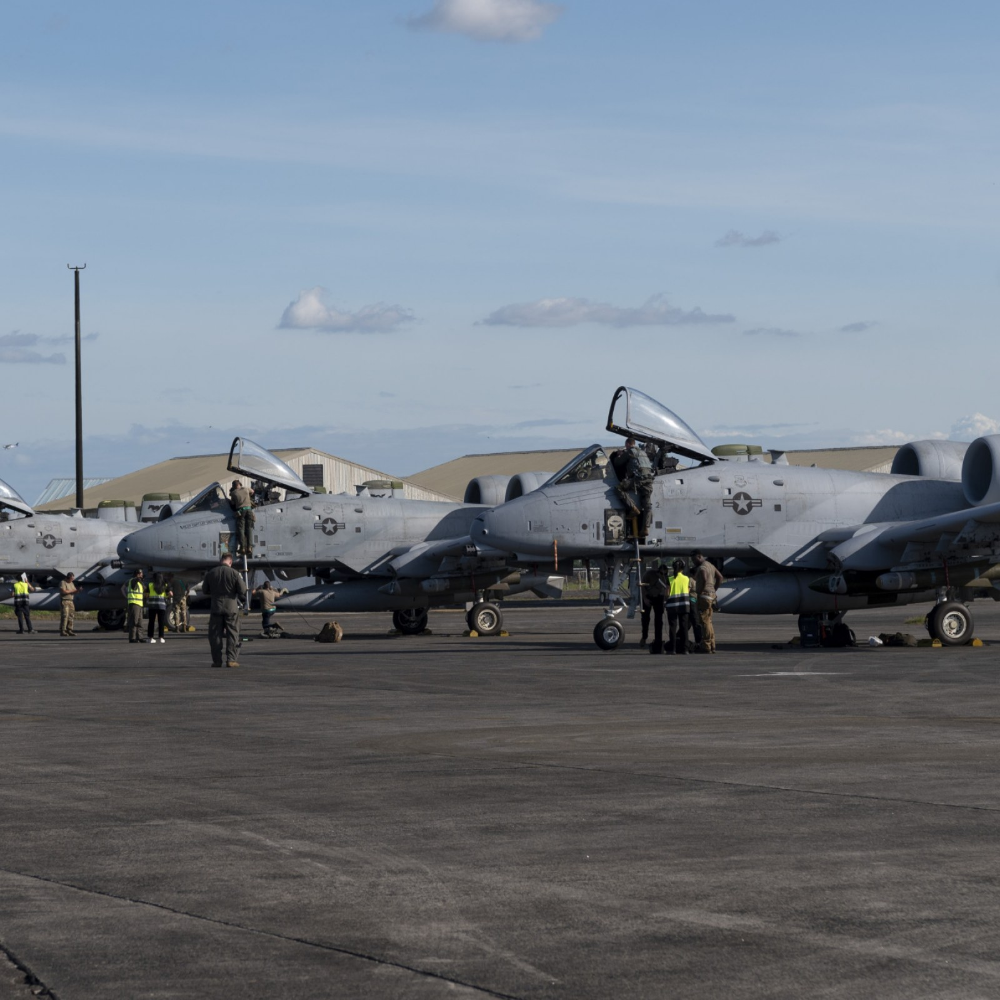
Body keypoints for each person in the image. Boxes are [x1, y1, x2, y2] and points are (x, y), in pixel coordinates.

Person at [202, 553, 247, 668]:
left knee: (215, 635)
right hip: (231, 608)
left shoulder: (211, 573)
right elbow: (242, 590)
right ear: (230, 562)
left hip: (216, 607)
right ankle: (231, 660)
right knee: (232, 634)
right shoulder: (235, 573)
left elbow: (204, 590)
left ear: (221, 560)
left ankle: (217, 661)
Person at [614, 437, 654, 537]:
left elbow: (617, 463)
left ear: (628, 444)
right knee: (647, 504)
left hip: (638, 479)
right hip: (649, 480)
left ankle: (633, 508)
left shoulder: (630, 451)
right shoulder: (643, 453)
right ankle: (646, 528)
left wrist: (619, 455)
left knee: (619, 488)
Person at [692, 551, 725, 653]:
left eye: (694, 560)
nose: (693, 562)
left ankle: (706, 646)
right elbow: (720, 577)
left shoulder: (702, 567)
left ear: (699, 556)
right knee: (709, 621)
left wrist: (700, 592)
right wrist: (714, 590)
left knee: (704, 621)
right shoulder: (711, 566)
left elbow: (705, 578)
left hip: (704, 596)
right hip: (711, 596)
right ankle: (712, 645)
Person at [639, 562, 667, 654]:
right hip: (648, 596)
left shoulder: (665, 577)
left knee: (659, 620)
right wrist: (644, 598)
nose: (663, 575)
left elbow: (667, 588)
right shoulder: (649, 574)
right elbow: (642, 586)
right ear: (658, 571)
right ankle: (644, 636)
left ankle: (658, 639)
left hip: (658, 597)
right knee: (645, 618)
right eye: (661, 573)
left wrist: (665, 600)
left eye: (665, 574)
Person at [665, 558, 690, 655]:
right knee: (684, 627)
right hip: (684, 606)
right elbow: (687, 591)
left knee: (673, 627)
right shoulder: (686, 579)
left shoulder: (670, 579)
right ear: (683, 568)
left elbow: (667, 593)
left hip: (672, 606)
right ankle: (685, 649)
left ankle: (673, 649)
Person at [229, 479, 254, 558]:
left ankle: (242, 547)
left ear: (233, 486)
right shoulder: (246, 489)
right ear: (240, 484)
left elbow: (232, 503)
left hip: (241, 512)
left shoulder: (233, 493)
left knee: (241, 529)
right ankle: (249, 547)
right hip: (249, 510)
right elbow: (252, 491)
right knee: (249, 528)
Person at [146, 573, 171, 644]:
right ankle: (161, 638)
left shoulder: (150, 585)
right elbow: (169, 594)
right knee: (161, 622)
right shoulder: (165, 585)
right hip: (161, 606)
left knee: (151, 622)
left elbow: (146, 595)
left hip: (152, 606)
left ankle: (150, 638)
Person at [124, 568, 146, 643]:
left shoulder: (139, 582)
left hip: (139, 604)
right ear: (137, 574)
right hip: (134, 604)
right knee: (134, 621)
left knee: (140, 622)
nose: (142, 575)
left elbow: (144, 589)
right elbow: (134, 581)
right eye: (141, 573)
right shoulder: (133, 581)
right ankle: (132, 638)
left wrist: (142, 581)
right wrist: (138, 578)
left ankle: (140, 637)